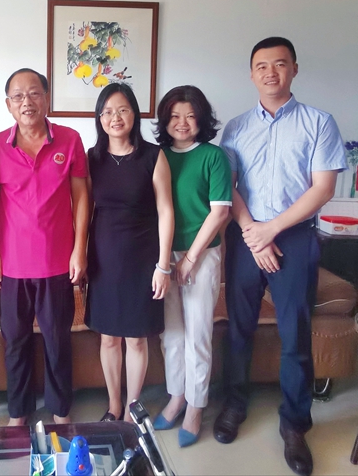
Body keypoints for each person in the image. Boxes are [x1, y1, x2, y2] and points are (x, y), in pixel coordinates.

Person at [216, 37, 347, 476]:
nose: (270, 72)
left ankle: (294, 424)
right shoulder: (235, 128)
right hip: (245, 236)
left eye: (279, 64)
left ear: (294, 69)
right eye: (261, 65)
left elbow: (322, 189)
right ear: (251, 74)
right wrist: (253, 233)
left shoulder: (319, 123)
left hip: (293, 239)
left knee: (295, 334)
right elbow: (228, 186)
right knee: (239, 328)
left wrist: (271, 230)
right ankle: (234, 404)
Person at [0, 68, 89, 426]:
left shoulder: (70, 140)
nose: (26, 102)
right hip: (12, 264)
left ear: (46, 98)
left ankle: (61, 410)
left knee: (57, 340)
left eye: (34, 93)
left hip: (57, 261)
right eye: (18, 96)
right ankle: (19, 412)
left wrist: (79, 248)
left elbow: (81, 196)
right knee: (15, 341)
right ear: (8, 104)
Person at [85, 83, 174, 423]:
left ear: (134, 114)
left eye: (122, 110)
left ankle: (131, 411)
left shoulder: (153, 156)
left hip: (142, 260)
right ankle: (114, 406)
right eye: (107, 111)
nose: (115, 117)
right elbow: (84, 211)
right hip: (104, 261)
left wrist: (163, 266)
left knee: (136, 340)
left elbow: (166, 211)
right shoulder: (92, 158)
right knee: (109, 338)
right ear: (99, 118)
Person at [151, 86, 232, 447]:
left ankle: (196, 406)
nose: (182, 123)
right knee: (171, 334)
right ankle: (177, 397)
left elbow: (220, 212)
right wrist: (166, 260)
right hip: (163, 255)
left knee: (198, 333)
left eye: (190, 115)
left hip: (201, 254)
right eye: (174, 116)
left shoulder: (214, 156)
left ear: (201, 119)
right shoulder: (157, 156)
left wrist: (190, 258)